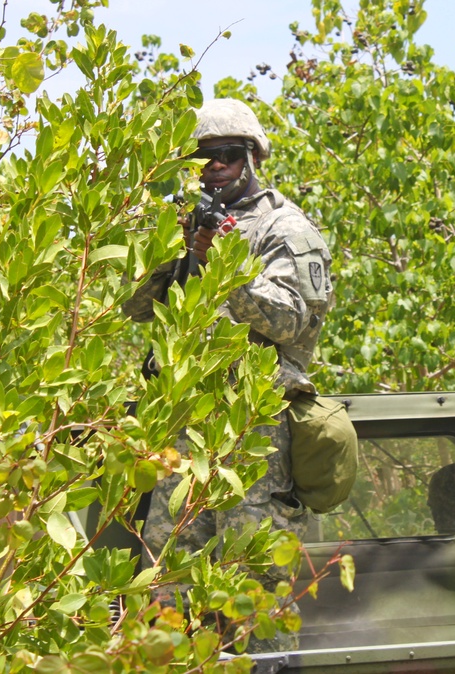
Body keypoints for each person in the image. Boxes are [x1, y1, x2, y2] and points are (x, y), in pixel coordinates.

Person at [123, 98, 335, 651]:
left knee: (251, 584)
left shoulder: (285, 228)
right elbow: (136, 308)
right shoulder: (186, 225)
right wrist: (170, 252)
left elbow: (293, 320)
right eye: (202, 159)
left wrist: (224, 266)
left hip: (252, 428)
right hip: (182, 425)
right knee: (165, 583)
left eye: (225, 156)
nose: (213, 167)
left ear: (251, 157)